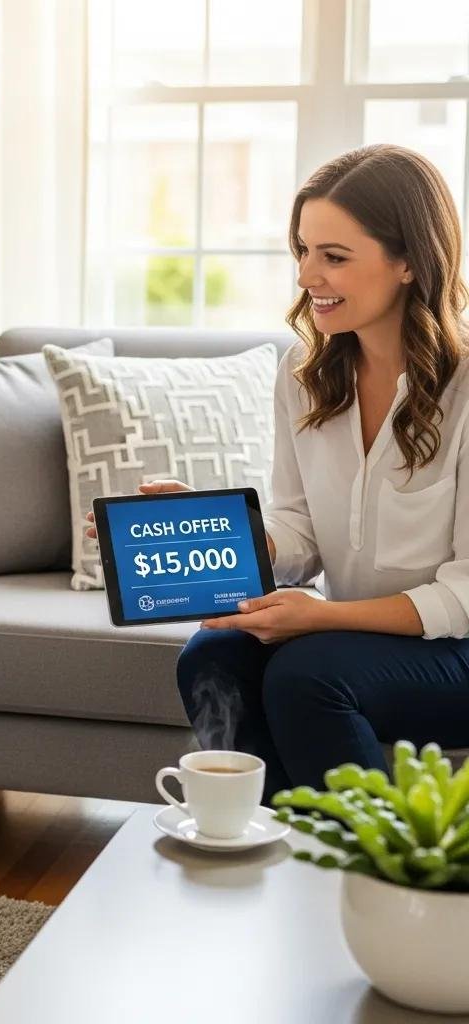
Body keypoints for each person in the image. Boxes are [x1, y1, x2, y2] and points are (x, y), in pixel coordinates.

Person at [91, 143, 469, 803]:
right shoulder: (305, 376)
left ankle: (380, 878)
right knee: (212, 655)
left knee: (306, 673)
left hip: (456, 647)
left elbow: (464, 597)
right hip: (361, 637)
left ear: (409, 261)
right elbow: (301, 534)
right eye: (300, 251)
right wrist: (221, 530)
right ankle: (273, 851)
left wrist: (325, 618)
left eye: (333, 257)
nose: (306, 276)